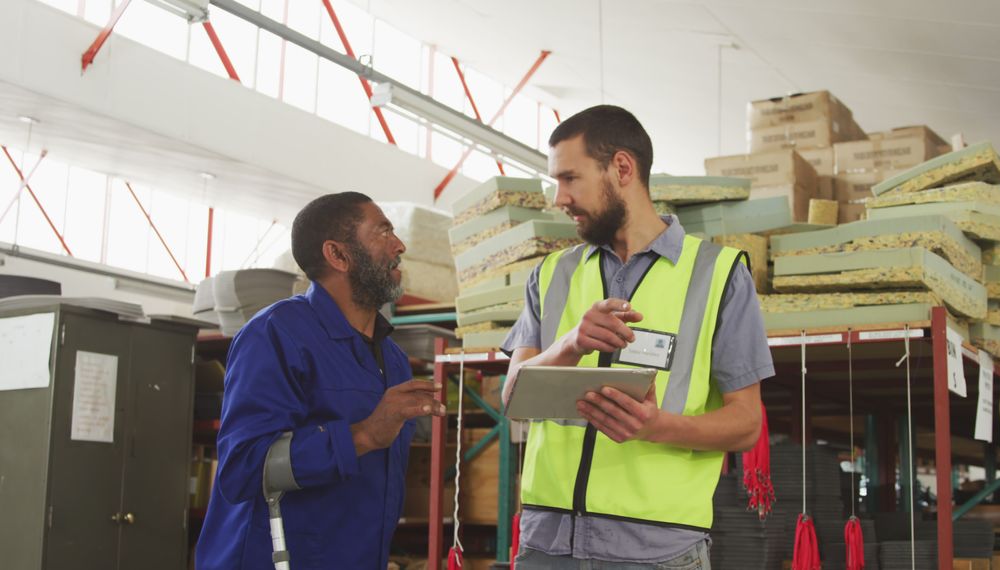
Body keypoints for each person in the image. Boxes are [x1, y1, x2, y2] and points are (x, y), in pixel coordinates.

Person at [501, 105, 775, 568]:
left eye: (570, 179)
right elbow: (513, 398)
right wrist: (570, 344)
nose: (559, 198)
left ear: (622, 168)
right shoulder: (550, 275)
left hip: (656, 550)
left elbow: (747, 423)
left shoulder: (718, 275)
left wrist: (656, 426)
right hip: (547, 545)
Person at [196, 192, 445, 570]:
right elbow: (242, 468)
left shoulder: (393, 360)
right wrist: (363, 435)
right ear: (338, 255)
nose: (400, 245)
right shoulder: (275, 335)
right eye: (383, 232)